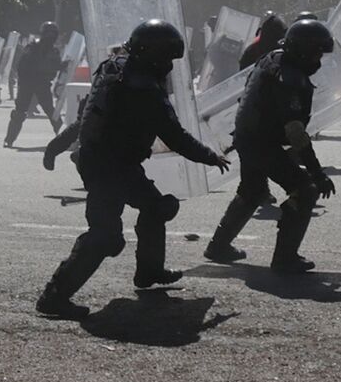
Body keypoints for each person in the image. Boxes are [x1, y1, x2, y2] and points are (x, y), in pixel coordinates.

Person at [36, 21, 229, 319]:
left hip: (111, 162)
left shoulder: (113, 69)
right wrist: (210, 157)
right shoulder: (144, 89)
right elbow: (175, 136)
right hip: (107, 167)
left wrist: (57, 144)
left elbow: (89, 115)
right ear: (150, 56)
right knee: (105, 236)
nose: (168, 67)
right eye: (166, 59)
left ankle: (149, 271)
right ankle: (54, 296)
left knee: (157, 207)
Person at [203, 19, 337, 272]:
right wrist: (317, 173)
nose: (319, 59)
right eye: (316, 52)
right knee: (305, 189)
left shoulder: (271, 59)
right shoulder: (290, 78)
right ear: (302, 51)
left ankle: (218, 246)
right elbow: (295, 132)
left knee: (251, 191)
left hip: (247, 136)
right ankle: (285, 258)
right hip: (261, 143)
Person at [5, 21, 64, 148]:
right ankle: (9, 139)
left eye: (52, 34)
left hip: (42, 84)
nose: (50, 37)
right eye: (48, 33)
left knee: (51, 111)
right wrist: (58, 67)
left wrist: (61, 67)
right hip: (29, 83)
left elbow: (53, 67)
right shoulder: (33, 47)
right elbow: (28, 66)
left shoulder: (53, 51)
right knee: (20, 112)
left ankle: (64, 138)